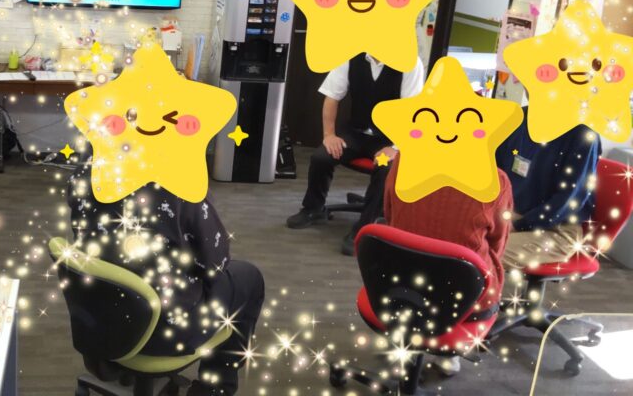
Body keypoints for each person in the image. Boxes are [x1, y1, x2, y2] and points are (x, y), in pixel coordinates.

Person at [68, 166, 265, 396]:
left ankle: (121, 365)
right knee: (249, 279)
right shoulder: (177, 183)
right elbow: (215, 262)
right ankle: (214, 389)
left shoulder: (85, 171)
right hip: (163, 333)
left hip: (99, 317)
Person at [383, 158, 512, 376]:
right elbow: (498, 244)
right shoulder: (496, 180)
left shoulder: (403, 162)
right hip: (465, 302)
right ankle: (447, 356)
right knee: (479, 268)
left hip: (399, 289)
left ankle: (408, 343)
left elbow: (390, 216)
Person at [286, 53, 425, 255]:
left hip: (388, 139)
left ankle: (365, 227)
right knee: (321, 157)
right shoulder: (351, 56)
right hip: (356, 133)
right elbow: (331, 97)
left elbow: (412, 112)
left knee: (385, 168)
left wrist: (396, 147)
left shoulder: (409, 62)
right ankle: (313, 209)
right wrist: (329, 135)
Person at [495, 107, 600, 271]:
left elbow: (567, 202)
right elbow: (495, 173)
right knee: (459, 242)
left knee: (482, 256)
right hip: (508, 215)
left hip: (555, 229)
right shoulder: (517, 119)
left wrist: (518, 224)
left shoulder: (583, 134)